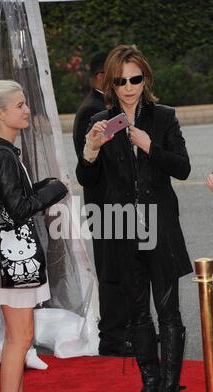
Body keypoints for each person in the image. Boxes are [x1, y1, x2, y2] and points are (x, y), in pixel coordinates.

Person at [76, 44, 192, 392]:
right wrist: (91, 150)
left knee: (168, 310)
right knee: (137, 313)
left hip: (160, 226)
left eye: (135, 79)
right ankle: (150, 383)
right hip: (122, 229)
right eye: (121, 80)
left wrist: (149, 146)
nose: (128, 87)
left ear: (146, 77)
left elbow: (183, 168)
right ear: (110, 82)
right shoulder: (102, 121)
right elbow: (88, 180)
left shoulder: (164, 117)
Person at [0, 80, 67, 392]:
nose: (26, 109)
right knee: (19, 340)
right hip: (13, 262)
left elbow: (13, 199)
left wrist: (41, 187)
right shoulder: (1, 155)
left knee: (20, 339)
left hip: (9, 262)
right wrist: (54, 189)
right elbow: (18, 210)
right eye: (19, 105)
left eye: (25, 103)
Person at [73, 52, 132, 357]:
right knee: (112, 274)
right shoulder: (92, 111)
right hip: (106, 207)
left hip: (120, 206)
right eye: (116, 77)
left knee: (128, 270)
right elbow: (88, 166)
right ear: (100, 77)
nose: (123, 83)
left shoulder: (107, 107)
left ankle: (132, 331)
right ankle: (113, 337)